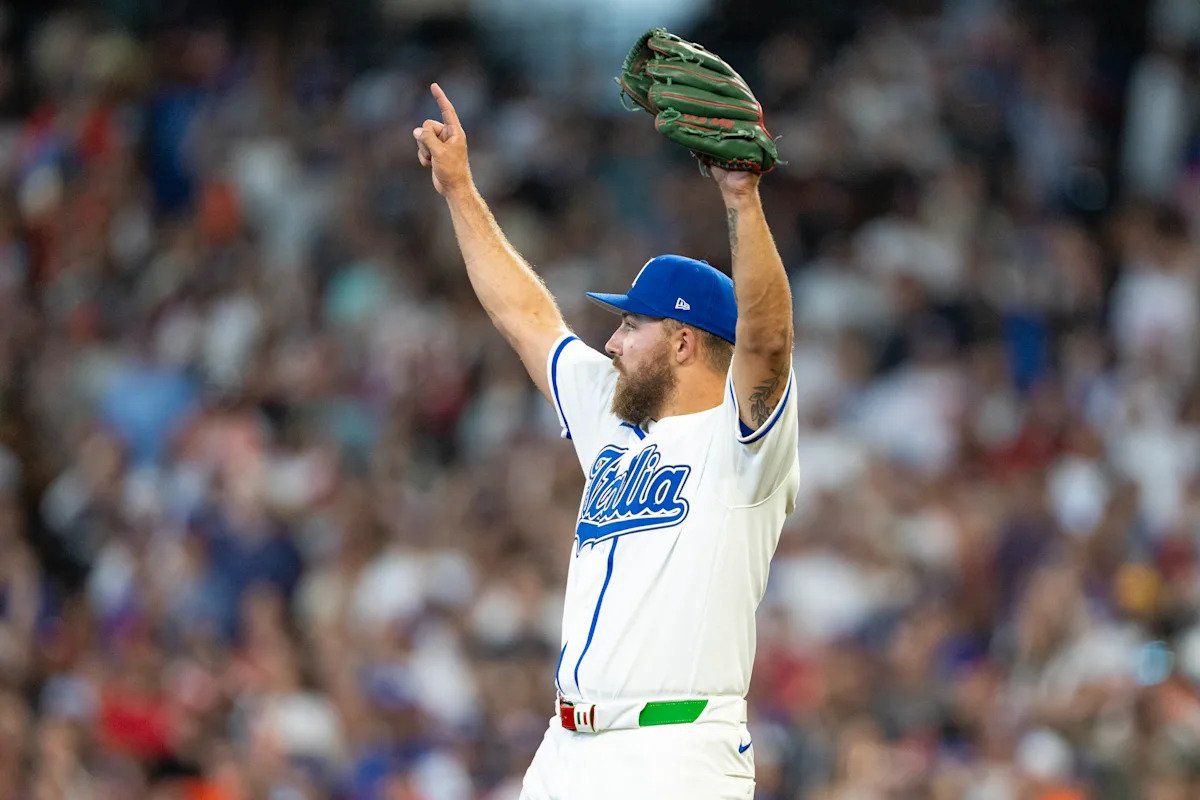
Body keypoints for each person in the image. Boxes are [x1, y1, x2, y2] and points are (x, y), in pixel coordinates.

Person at [414, 82, 799, 800]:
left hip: (674, 752)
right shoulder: (614, 416)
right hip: (566, 748)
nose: (612, 341)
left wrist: (742, 201)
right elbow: (526, 315)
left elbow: (769, 343)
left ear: (683, 341)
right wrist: (461, 190)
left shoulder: (745, 444)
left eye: (631, 326)